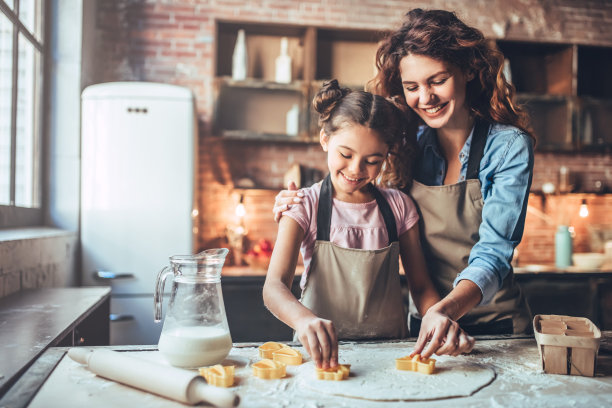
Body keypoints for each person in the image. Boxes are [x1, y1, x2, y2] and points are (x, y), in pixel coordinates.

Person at [273, 9, 534, 360]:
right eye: (412, 87)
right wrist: (294, 207)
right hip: (423, 324)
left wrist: (444, 312)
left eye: (437, 80)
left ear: (470, 70)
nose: (425, 97)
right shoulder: (408, 142)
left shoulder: (507, 147)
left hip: (495, 324)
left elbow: (494, 253)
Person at [263, 79, 456, 370]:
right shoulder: (304, 205)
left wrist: (439, 317)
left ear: (386, 156)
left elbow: (420, 285)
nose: (355, 170)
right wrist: (304, 320)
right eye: (346, 154)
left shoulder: (398, 206)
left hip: (390, 355)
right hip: (321, 357)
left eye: (373, 161)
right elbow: (273, 288)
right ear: (325, 139)